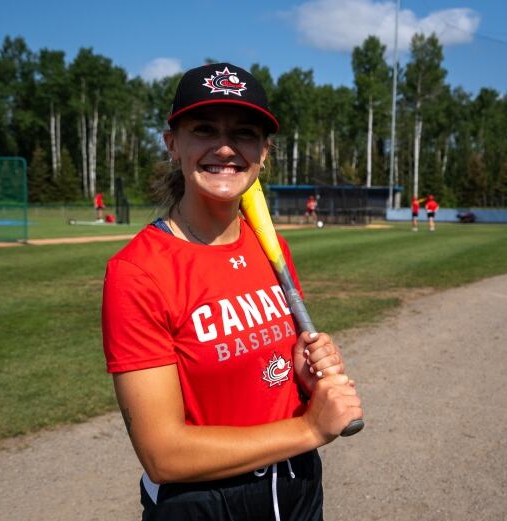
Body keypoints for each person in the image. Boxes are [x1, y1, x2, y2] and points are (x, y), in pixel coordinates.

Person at [102, 62, 362, 521]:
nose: (224, 147)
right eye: (203, 129)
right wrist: (309, 429)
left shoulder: (271, 246)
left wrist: (299, 377)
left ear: (264, 152)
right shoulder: (138, 272)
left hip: (297, 487)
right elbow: (164, 454)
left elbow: (266, 369)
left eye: (244, 133)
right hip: (205, 504)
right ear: (172, 144)